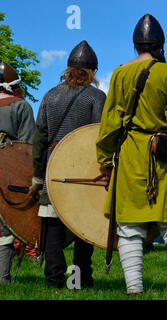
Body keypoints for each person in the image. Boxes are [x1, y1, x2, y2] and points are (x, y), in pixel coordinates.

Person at [95, 14, 167, 295]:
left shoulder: (119, 73)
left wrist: (105, 160)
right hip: (164, 155)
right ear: (160, 45)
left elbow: (110, 124)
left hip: (129, 155)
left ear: (135, 44)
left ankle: (134, 289)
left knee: (129, 227)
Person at [31, 41, 105, 289]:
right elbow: (99, 138)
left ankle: (54, 281)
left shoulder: (50, 95)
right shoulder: (96, 97)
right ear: (92, 71)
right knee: (84, 227)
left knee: (52, 227)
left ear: (68, 69)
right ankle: (81, 279)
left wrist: (37, 177)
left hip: (55, 169)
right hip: (85, 174)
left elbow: (39, 139)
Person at [0, 61, 36, 284]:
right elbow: (27, 148)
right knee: (5, 227)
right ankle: (2, 277)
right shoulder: (21, 106)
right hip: (8, 176)